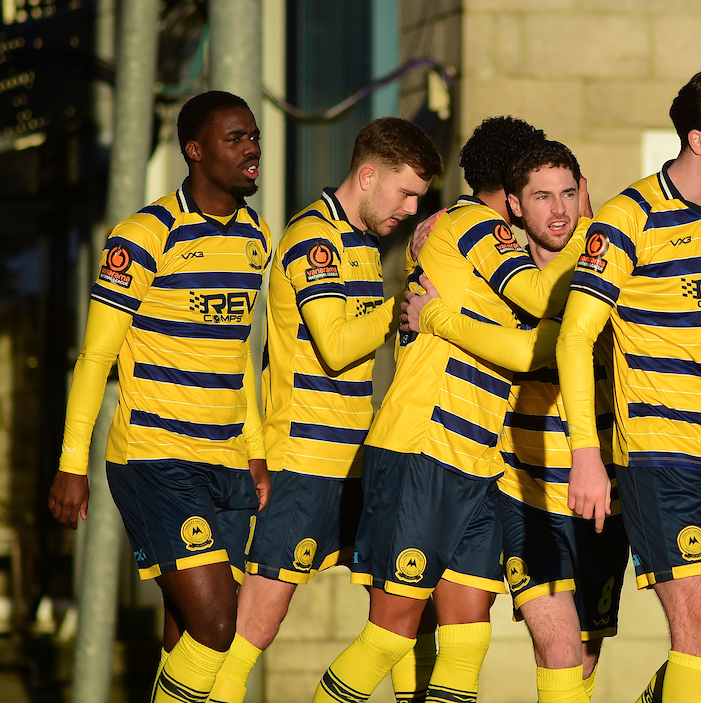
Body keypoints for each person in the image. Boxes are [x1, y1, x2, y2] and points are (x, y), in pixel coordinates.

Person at [312, 117, 585, 703]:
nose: (552, 206)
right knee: (389, 637)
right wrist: (598, 241)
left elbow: (531, 343)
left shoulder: (474, 234)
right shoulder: (474, 226)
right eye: (539, 191)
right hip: (422, 447)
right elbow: (537, 314)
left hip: (475, 460)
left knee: (466, 642)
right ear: (512, 189)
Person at [205, 117, 442, 703]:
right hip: (304, 459)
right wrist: (400, 309)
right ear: (367, 176)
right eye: (404, 192)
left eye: (419, 197)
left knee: (407, 608)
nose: (410, 208)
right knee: (259, 620)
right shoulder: (314, 239)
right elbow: (335, 346)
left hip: (362, 457)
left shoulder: (364, 243)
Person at [557, 69, 701, 703]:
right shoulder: (628, 218)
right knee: (699, 634)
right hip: (661, 457)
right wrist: (586, 456)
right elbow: (575, 339)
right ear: (697, 139)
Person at [46, 91, 272, 703]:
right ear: (195, 151)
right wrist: (73, 462)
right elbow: (94, 358)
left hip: (225, 461)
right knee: (219, 625)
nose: (252, 148)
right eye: (236, 138)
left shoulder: (257, 235)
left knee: (186, 636)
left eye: (254, 135)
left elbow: (238, 356)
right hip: (154, 459)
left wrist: (254, 450)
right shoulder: (145, 235)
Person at [403, 139, 623, 703]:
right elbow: (442, 264)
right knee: (559, 647)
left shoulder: (611, 267)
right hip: (521, 490)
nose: (559, 209)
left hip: (602, 494)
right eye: (542, 196)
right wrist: (434, 232)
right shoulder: (499, 269)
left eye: (570, 195)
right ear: (515, 206)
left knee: (588, 654)